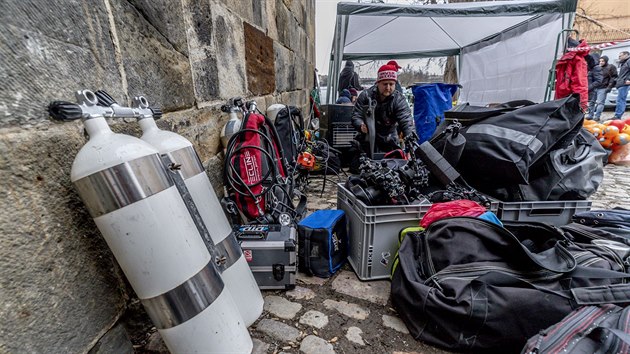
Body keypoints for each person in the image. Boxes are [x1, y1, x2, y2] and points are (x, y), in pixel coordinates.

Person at [349, 64, 415, 171]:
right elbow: (356, 115)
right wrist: (360, 125)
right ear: (378, 83)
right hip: (367, 139)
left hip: (389, 140)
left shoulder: (399, 99)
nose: (388, 88)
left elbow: (406, 120)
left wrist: (410, 138)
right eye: (385, 84)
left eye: (391, 84)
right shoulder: (366, 95)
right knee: (358, 168)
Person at [591, 55, 617, 121]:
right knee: (591, 102)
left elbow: (613, 77)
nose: (601, 62)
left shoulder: (610, 67)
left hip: (603, 88)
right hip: (594, 87)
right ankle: (590, 115)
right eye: (600, 61)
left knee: (600, 103)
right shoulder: (596, 67)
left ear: (606, 61)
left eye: (603, 61)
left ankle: (597, 116)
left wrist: (609, 86)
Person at [586, 53, 603, 119]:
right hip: (590, 89)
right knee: (590, 104)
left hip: (593, 90)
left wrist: (589, 87)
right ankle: (590, 116)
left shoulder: (596, 68)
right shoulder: (590, 68)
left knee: (591, 103)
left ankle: (592, 116)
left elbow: (599, 81)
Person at [614, 51, 630, 119]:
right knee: (619, 100)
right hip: (621, 83)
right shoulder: (623, 63)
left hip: (624, 83)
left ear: (626, 55)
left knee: (621, 100)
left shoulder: (628, 61)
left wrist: (629, 79)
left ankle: (618, 116)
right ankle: (617, 115)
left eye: (621, 56)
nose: (619, 57)